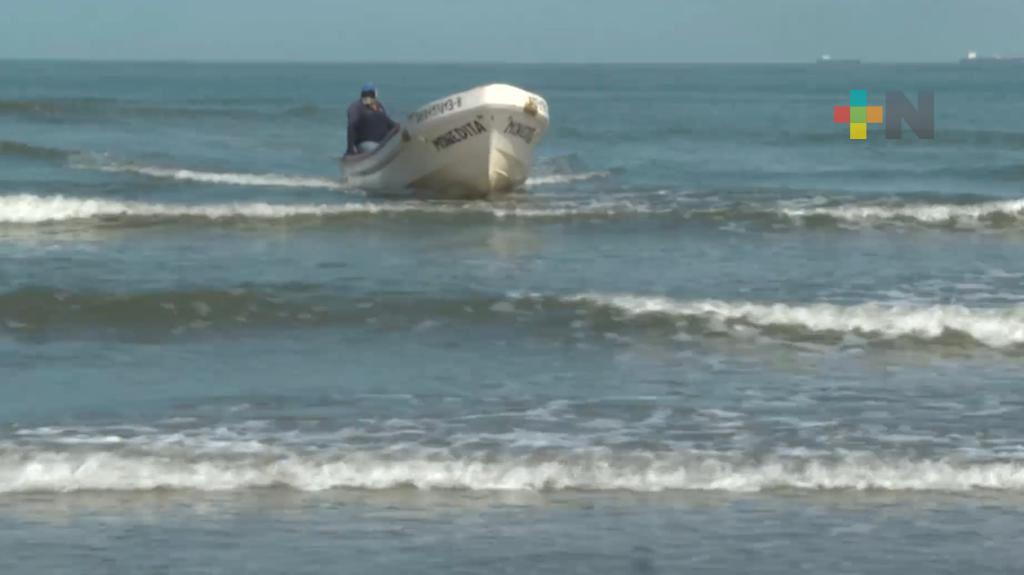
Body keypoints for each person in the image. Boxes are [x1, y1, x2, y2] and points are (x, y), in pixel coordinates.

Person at [346, 82, 397, 155]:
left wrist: (399, 127)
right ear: (374, 94)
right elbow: (351, 126)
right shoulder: (356, 107)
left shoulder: (378, 106)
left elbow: (388, 122)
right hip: (366, 144)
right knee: (376, 148)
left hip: (383, 142)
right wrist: (350, 148)